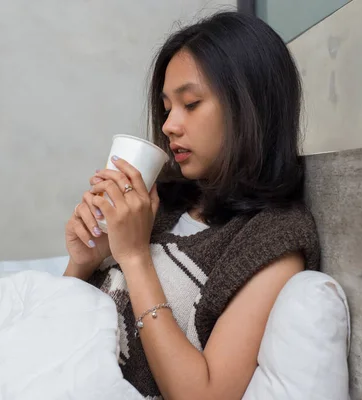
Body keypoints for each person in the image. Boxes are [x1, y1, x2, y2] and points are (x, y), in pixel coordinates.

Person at [63, 11, 320, 400]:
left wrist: (134, 258)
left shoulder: (274, 239)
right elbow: (53, 331)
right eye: (167, 108)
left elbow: (204, 394)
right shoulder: (161, 203)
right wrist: (83, 262)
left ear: (250, 107)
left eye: (191, 103)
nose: (169, 125)